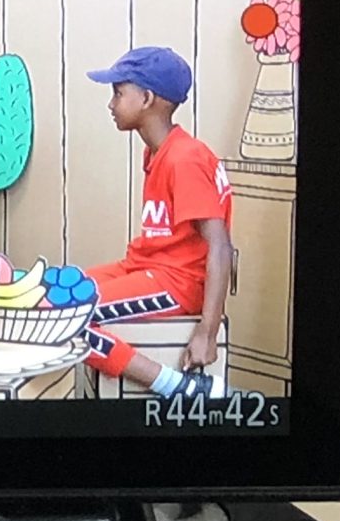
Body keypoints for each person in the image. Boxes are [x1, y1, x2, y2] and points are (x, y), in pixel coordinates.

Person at [78, 44, 234, 408]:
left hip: (176, 284)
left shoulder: (185, 158)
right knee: (55, 294)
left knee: (67, 316)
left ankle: (174, 385)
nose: (111, 104)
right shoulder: (159, 151)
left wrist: (207, 331)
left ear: (147, 98)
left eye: (119, 93)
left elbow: (220, 245)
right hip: (146, 268)